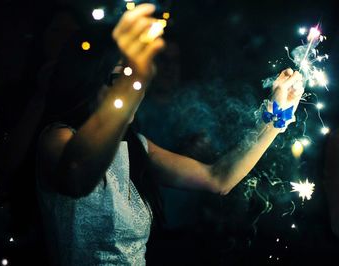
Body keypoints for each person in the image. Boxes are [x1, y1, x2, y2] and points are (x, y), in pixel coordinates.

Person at [36, 4, 304, 265]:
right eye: (121, 79)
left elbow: (219, 178)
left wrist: (277, 114)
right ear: (92, 80)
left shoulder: (137, 146)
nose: (134, 91)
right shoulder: (57, 138)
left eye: (137, 80)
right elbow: (77, 176)